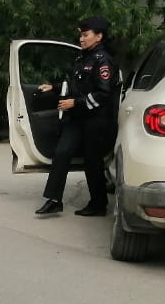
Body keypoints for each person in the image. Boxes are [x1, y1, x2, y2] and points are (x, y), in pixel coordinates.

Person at [34, 16, 116, 217]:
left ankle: (98, 204)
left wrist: (75, 103)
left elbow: (103, 94)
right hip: (77, 118)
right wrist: (53, 87)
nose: (81, 38)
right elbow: (74, 85)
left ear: (99, 36)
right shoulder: (82, 58)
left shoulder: (103, 61)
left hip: (95, 120)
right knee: (61, 153)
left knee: (92, 161)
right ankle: (54, 200)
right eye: (80, 34)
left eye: (85, 35)